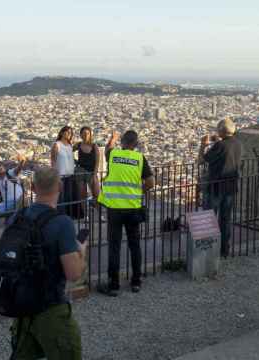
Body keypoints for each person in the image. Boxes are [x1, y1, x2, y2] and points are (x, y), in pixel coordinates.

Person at [9, 167, 87, 360]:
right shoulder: (62, 223)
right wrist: (82, 253)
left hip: (22, 306)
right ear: (60, 186)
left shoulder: (17, 217)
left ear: (33, 187)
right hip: (50, 307)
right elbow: (73, 274)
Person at [98, 130, 155, 296]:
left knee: (114, 247)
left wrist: (113, 138)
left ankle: (113, 285)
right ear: (136, 145)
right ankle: (136, 282)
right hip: (133, 208)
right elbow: (151, 182)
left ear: (122, 142)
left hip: (114, 209)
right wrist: (138, 191)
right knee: (134, 245)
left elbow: (108, 149)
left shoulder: (114, 155)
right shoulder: (139, 158)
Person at [198, 118, 243, 257]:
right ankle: (224, 250)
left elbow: (201, 160)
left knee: (209, 218)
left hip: (216, 187)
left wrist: (203, 145)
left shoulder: (220, 146)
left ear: (222, 131)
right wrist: (218, 141)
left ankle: (208, 250)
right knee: (225, 219)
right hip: (231, 186)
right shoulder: (238, 144)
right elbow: (227, 154)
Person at [51, 126, 81, 218]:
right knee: (61, 199)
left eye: (70, 133)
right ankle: (60, 217)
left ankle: (69, 216)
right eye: (67, 132)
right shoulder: (57, 145)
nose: (69, 134)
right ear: (62, 132)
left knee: (69, 197)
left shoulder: (70, 145)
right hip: (60, 176)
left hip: (70, 175)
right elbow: (53, 160)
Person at [74, 126, 101, 200]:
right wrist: (75, 161)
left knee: (96, 195)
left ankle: (97, 210)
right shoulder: (78, 145)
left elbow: (97, 161)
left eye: (87, 133)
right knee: (82, 196)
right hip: (80, 171)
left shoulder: (94, 146)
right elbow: (69, 151)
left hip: (91, 172)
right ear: (80, 135)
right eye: (84, 133)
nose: (86, 135)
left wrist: (95, 175)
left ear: (90, 135)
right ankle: (84, 211)